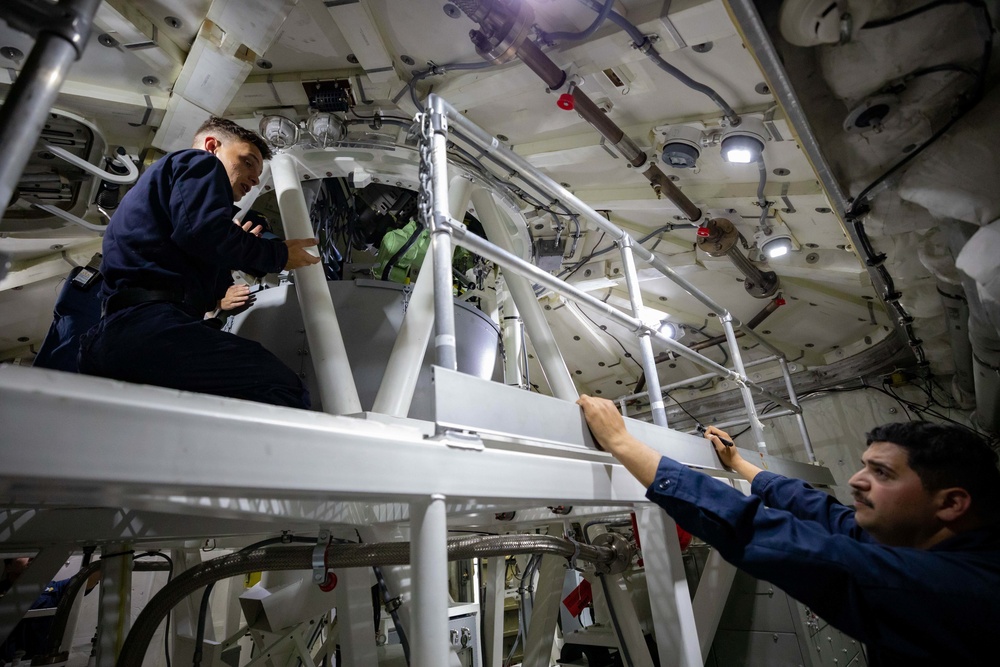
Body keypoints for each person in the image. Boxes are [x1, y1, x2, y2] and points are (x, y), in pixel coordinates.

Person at [576, 394, 1000, 666]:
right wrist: (740, 466)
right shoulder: (938, 546)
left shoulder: (958, 591)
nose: (855, 481)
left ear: (951, 503)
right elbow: (821, 512)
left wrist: (624, 444)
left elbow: (767, 533)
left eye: (882, 473)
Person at [79, 117, 320, 408]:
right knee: (280, 387)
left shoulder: (166, 204)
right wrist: (278, 254)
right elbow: (202, 233)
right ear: (212, 146)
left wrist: (228, 255)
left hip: (118, 338)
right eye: (247, 162)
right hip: (149, 328)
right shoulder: (200, 163)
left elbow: (200, 263)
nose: (255, 179)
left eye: (258, 174)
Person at [0, 558, 100, 662]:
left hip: (39, 661)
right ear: (8, 567)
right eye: (23, 554)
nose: (32, 557)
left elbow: (84, 581)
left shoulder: (52, 589)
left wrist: (107, 560)